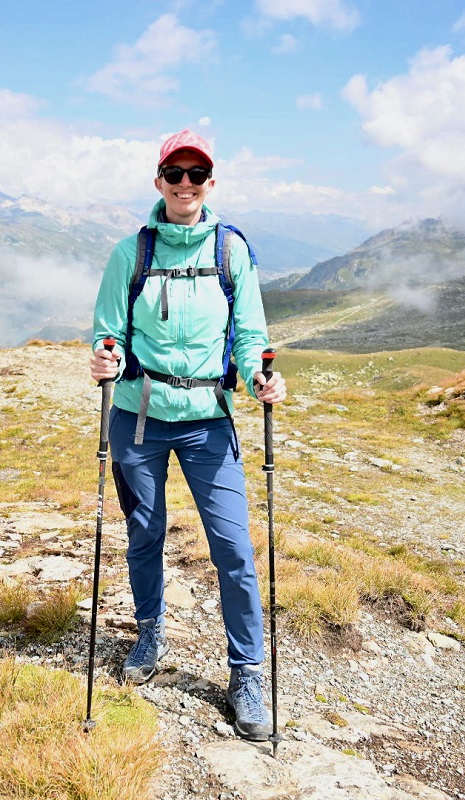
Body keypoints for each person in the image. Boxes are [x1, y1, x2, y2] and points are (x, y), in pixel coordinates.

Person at [89, 129, 287, 741]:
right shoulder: (132, 253)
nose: (184, 184)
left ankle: (247, 671)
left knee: (232, 548)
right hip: (138, 417)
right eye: (174, 174)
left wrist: (259, 378)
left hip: (207, 420)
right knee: (144, 532)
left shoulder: (232, 251)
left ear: (209, 183)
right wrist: (105, 357)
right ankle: (149, 631)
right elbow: (106, 331)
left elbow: (250, 335)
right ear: (158, 182)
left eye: (195, 174)